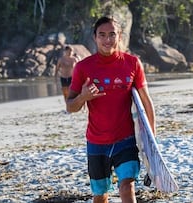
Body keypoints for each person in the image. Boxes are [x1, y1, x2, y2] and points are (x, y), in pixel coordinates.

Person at [66, 16, 156, 203]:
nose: (107, 40)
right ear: (95, 37)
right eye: (102, 35)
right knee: (100, 195)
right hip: (96, 142)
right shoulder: (83, 67)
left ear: (120, 36)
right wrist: (83, 97)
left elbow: (147, 103)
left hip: (126, 140)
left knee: (127, 186)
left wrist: (152, 141)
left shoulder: (132, 63)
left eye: (112, 34)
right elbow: (70, 106)